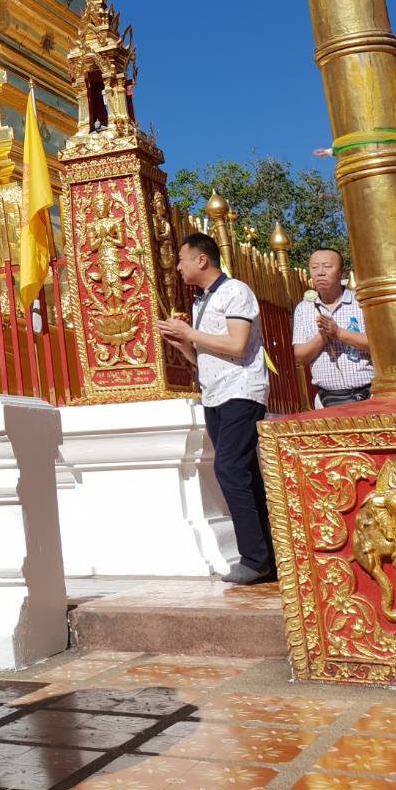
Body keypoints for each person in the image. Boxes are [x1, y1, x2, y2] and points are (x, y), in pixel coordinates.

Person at [158, 232, 275, 585]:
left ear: (201, 260)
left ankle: (254, 558)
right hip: (214, 393)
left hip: (242, 390)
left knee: (229, 469)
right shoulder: (200, 303)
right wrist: (182, 343)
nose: (177, 267)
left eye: (181, 259)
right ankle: (269, 553)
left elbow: (238, 345)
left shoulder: (235, 291)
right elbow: (205, 358)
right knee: (244, 473)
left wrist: (191, 334)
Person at [292, 248, 372, 405]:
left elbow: (377, 345)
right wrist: (322, 337)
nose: (320, 272)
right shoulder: (303, 308)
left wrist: (339, 333)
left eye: (327, 266)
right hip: (327, 397)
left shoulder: (361, 302)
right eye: (314, 267)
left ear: (341, 272)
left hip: (368, 392)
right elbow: (300, 356)